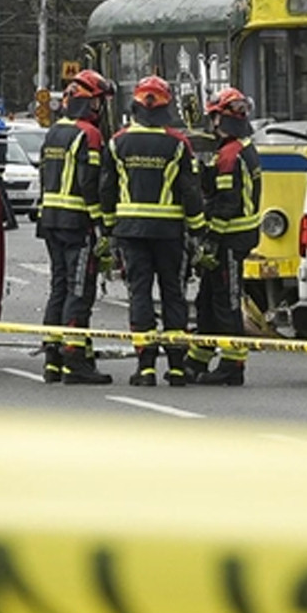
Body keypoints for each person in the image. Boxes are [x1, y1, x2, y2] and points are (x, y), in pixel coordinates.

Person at [103, 75, 206, 387]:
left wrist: (108, 228)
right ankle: (176, 368)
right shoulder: (178, 144)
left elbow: (106, 189)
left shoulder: (117, 142)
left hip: (131, 232)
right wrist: (199, 230)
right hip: (168, 233)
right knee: (173, 294)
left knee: (140, 294)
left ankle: (145, 367)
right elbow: (190, 191)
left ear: (136, 106)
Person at [34, 70, 116, 385]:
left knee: (59, 287)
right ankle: (75, 361)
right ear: (90, 104)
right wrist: (102, 225)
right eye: (98, 102)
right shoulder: (89, 135)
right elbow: (90, 184)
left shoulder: (54, 132)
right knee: (79, 290)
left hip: (51, 221)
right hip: (77, 224)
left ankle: (52, 359)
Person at [184, 87, 263, 386]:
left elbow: (226, 203)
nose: (212, 124)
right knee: (207, 301)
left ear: (223, 118)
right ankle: (198, 359)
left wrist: (210, 241)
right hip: (235, 237)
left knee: (226, 302)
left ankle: (233, 364)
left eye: (214, 117)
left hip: (230, 240)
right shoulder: (240, 148)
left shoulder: (230, 155)